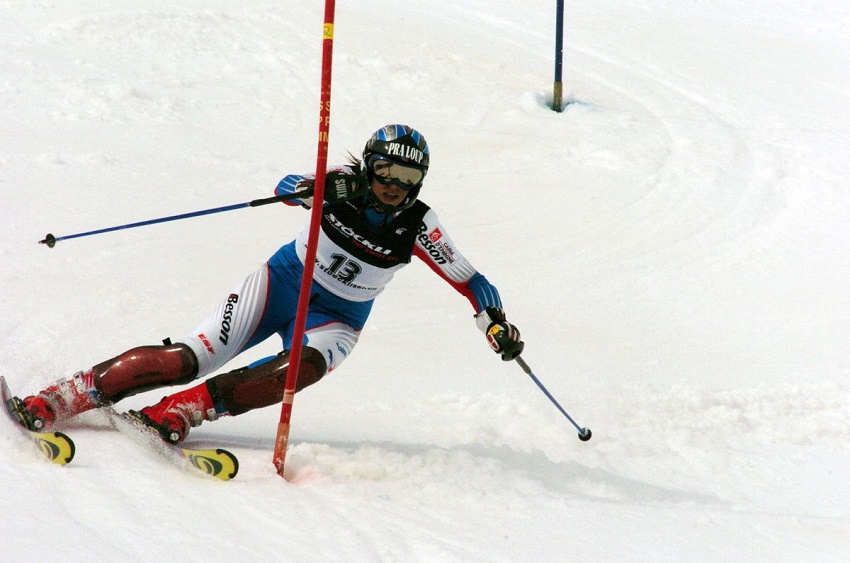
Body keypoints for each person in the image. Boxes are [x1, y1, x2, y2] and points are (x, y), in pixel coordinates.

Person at [8, 124, 524, 444]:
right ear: (369, 166)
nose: (394, 186)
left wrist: (495, 322)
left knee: (298, 372)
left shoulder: (419, 226)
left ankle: (180, 411)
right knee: (186, 359)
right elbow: (285, 187)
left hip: (339, 318)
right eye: (386, 171)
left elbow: (472, 280)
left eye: (408, 179)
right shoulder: (341, 185)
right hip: (281, 283)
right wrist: (307, 190)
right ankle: (61, 397)